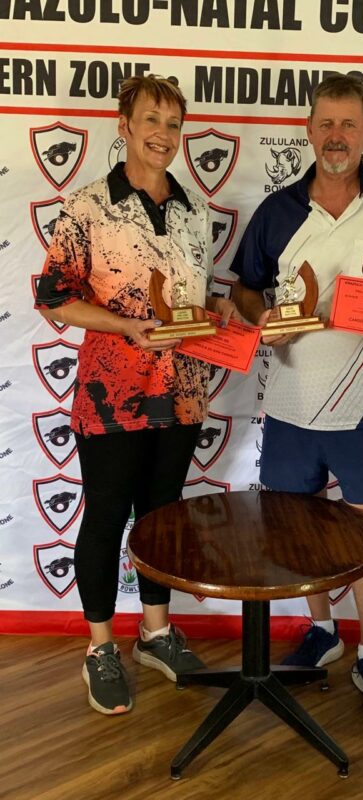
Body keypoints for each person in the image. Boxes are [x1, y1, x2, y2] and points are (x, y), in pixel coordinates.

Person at [230, 73, 363, 722]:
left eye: (349, 124)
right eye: (325, 123)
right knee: (299, 531)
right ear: (308, 131)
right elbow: (244, 287)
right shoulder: (277, 211)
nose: (336, 136)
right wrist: (259, 315)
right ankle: (322, 632)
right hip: (291, 401)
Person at [35, 74, 238, 716]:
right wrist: (123, 325)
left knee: (161, 516)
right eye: (152, 120)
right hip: (111, 394)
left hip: (181, 393)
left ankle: (155, 633)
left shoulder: (195, 209)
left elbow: (191, 296)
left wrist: (217, 306)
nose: (163, 134)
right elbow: (54, 298)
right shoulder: (88, 206)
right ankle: (100, 648)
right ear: (124, 126)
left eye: (174, 124)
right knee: (104, 517)